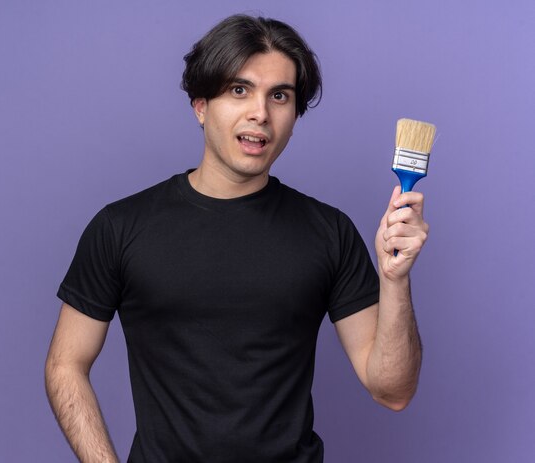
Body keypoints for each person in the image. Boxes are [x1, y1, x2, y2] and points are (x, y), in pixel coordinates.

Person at [45, 14, 427, 463]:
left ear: (294, 115)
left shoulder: (330, 233)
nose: (260, 113)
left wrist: (395, 279)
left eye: (279, 96)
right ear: (201, 105)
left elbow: (393, 390)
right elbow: (65, 365)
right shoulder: (120, 228)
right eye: (239, 90)